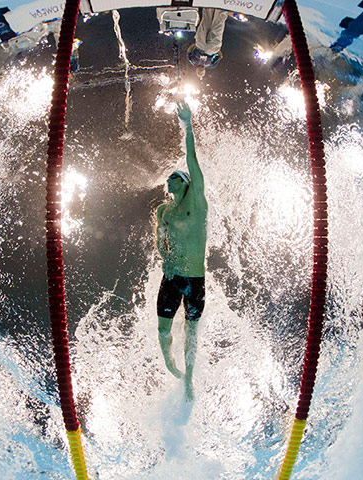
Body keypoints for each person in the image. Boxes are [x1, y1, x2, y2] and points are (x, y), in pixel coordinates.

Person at [155, 100, 207, 402]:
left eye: (175, 176)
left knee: (191, 332)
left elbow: (191, 157)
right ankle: (169, 362)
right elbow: (160, 240)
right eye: (169, 177)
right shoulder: (165, 211)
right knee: (162, 329)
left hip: (195, 280)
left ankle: (189, 377)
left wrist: (187, 123)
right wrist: (165, 259)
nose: (169, 179)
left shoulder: (197, 202)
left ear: (186, 183)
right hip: (172, 277)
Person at [187, 9, 230, 78]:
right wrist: (216, 49)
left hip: (200, 46)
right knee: (218, 27)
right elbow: (220, 56)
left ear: (196, 71)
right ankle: (221, 10)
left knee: (205, 23)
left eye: (199, 73)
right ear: (204, 72)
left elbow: (188, 52)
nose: (200, 72)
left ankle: (209, 8)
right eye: (202, 73)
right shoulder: (211, 65)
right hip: (211, 50)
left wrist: (194, 44)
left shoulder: (193, 61)